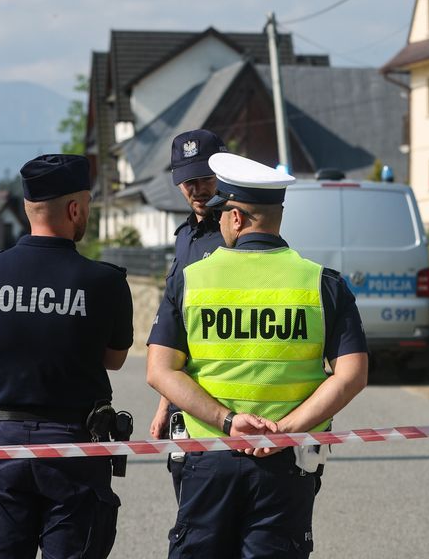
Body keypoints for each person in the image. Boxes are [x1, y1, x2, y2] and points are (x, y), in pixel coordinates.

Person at [147, 153, 368, 558]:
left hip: (208, 456)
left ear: (235, 218)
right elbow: (351, 375)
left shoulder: (190, 279)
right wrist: (284, 429)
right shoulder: (323, 283)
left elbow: (160, 371)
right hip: (286, 462)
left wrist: (227, 422)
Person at [0, 154, 133, 559]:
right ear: (74, 208)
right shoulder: (105, 282)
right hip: (74, 450)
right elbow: (114, 359)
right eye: (87, 207)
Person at [147, 129, 227, 499]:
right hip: (187, 400)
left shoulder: (237, 231)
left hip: (228, 393)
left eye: (205, 179)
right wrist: (166, 402)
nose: (197, 190)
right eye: (187, 181)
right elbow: (176, 328)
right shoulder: (184, 237)